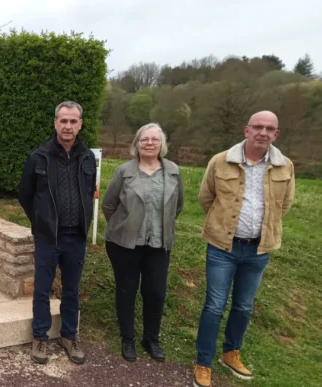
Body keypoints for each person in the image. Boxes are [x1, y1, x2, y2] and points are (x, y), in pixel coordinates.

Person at [193, 111, 295, 387]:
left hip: (258, 250)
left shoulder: (285, 166)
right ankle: (204, 362)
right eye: (258, 127)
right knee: (214, 306)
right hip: (222, 247)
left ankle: (231, 353)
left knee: (244, 306)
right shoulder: (221, 160)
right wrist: (223, 223)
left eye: (269, 128)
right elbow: (206, 197)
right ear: (246, 130)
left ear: (276, 134)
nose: (263, 132)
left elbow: (284, 205)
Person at [18, 101, 97, 365]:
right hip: (47, 237)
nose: (68, 126)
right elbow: (25, 195)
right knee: (42, 289)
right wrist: (41, 221)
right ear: (55, 123)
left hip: (75, 237)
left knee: (72, 289)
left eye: (73, 121)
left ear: (80, 125)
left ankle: (68, 336)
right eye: (63, 121)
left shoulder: (87, 157)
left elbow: (88, 193)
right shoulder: (38, 157)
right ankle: (40, 336)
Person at [101, 123, 184, 363]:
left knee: (155, 292)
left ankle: (151, 339)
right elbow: (109, 204)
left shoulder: (173, 171)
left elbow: (177, 206)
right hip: (125, 244)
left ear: (162, 145)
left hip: (159, 245)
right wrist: (123, 225)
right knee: (126, 291)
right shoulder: (124, 171)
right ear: (137, 144)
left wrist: (160, 227)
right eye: (144, 139)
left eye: (154, 140)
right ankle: (127, 338)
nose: (149, 143)